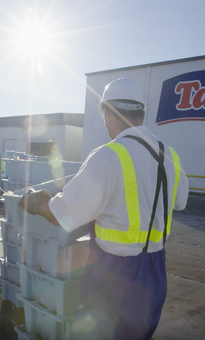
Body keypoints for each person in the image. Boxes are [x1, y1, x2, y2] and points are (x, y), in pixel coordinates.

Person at [19, 78, 189, 339]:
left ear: (107, 114)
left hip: (116, 277)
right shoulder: (171, 157)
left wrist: (35, 202)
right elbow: (180, 202)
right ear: (142, 114)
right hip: (156, 273)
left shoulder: (109, 155)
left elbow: (62, 214)